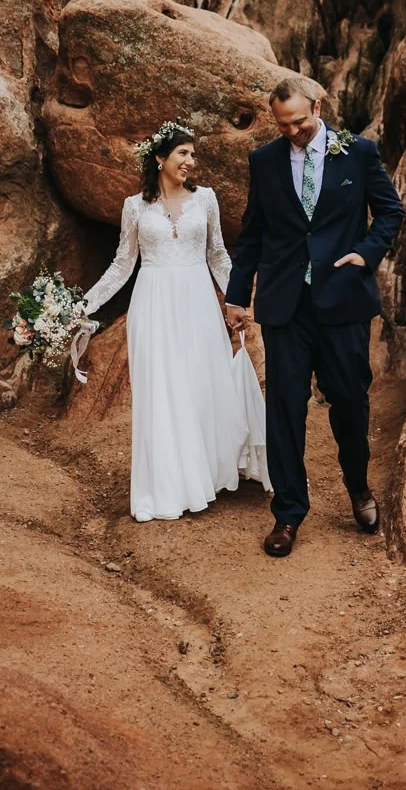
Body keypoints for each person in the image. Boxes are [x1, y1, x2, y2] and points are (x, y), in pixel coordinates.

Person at [224, 80, 404, 558]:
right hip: (286, 304)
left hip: (343, 300)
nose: (294, 132)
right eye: (284, 125)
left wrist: (366, 255)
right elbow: (254, 233)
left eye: (300, 122)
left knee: (349, 400)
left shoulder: (359, 153)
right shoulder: (264, 161)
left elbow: (389, 211)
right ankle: (287, 513)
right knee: (284, 407)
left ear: (318, 108)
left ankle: (359, 489)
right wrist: (237, 296)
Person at [81, 122, 269, 522]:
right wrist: (86, 304)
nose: (190, 161)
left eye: (192, 154)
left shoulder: (206, 200)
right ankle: (167, 487)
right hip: (153, 304)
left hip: (198, 301)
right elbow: (122, 265)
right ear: (160, 158)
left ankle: (204, 474)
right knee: (163, 391)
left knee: (199, 384)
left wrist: (236, 300)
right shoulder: (135, 206)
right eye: (183, 153)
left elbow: (218, 254)